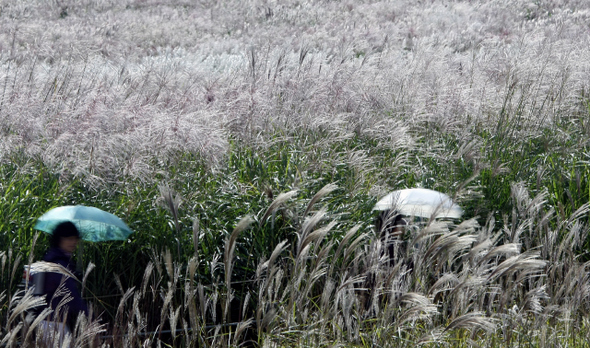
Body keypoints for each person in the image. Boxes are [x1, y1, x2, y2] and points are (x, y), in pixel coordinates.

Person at [34, 221, 88, 344]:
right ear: (59, 239)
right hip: (53, 324)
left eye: (75, 238)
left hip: (47, 322)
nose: (73, 242)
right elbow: (70, 294)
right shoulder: (59, 263)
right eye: (69, 238)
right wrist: (90, 317)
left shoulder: (53, 258)